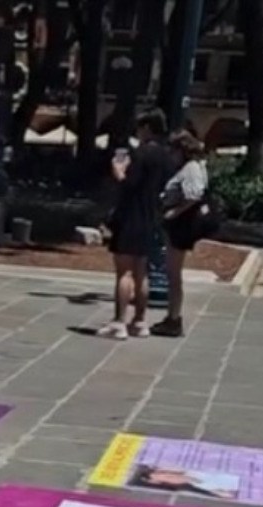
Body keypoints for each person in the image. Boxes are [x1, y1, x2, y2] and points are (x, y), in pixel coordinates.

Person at [98, 109, 172, 340]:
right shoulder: (165, 157)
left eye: (140, 128)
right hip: (151, 216)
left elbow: (129, 185)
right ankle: (140, 321)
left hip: (131, 217)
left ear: (147, 128)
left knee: (124, 272)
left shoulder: (141, 154)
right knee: (143, 272)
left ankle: (119, 322)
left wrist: (118, 171)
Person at [152, 130, 211, 338]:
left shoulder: (191, 168)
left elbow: (194, 196)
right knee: (172, 273)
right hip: (177, 225)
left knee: (173, 274)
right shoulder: (191, 167)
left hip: (180, 226)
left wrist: (172, 213)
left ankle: (174, 318)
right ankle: (172, 316)